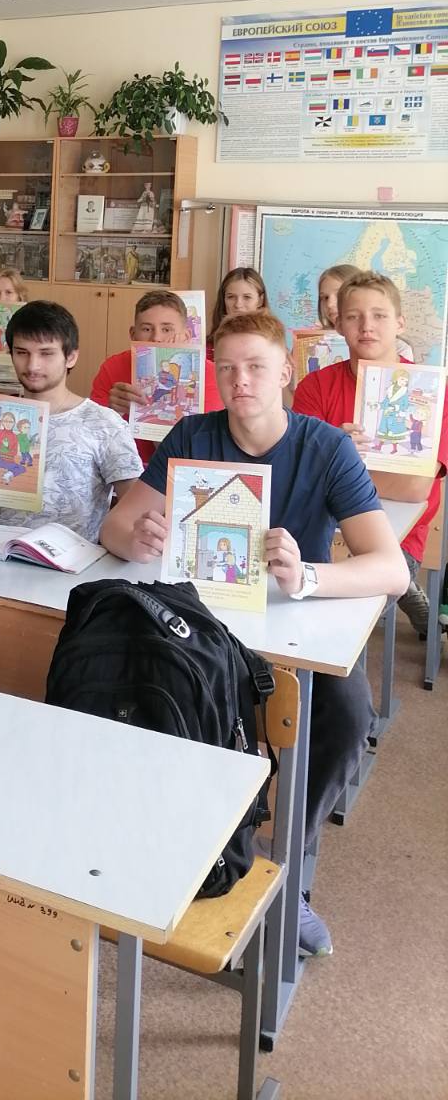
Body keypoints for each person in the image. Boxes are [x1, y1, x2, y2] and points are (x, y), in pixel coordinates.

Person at [100, 308, 407, 957]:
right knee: (154, 692)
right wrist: (137, 537)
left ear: (285, 373)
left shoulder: (325, 447)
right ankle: (182, 851)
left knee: (348, 714)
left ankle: (285, 866)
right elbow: (117, 528)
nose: (241, 381)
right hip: (202, 623)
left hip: (295, 627)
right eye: (228, 369)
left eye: (257, 367)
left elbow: (392, 569)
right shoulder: (193, 434)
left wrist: (308, 576)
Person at [292, 270, 448, 637]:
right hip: (320, 530)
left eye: (379, 315)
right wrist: (335, 462)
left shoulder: (432, 391)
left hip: (396, 541)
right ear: (338, 324)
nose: (366, 326)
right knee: (295, 603)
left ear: (400, 323)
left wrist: (336, 462)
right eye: (353, 316)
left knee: (341, 621)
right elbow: (300, 474)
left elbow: (414, 488)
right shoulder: (315, 386)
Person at [0, 301, 141, 542]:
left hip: (72, 559)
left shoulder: (104, 423)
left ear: (71, 357)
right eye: (22, 353)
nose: (32, 365)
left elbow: (136, 507)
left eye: (46, 353)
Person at [89, 289, 223, 464]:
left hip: (184, 467)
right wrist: (111, 412)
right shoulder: (112, 367)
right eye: (146, 329)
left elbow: (211, 446)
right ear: (133, 334)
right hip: (125, 467)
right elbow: (91, 435)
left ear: (187, 336)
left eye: (167, 329)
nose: (156, 338)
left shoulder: (212, 374)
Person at [207, 266, 269, 355]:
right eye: (231, 297)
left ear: (260, 301)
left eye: (247, 297)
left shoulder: (272, 346)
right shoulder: (207, 349)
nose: (238, 305)